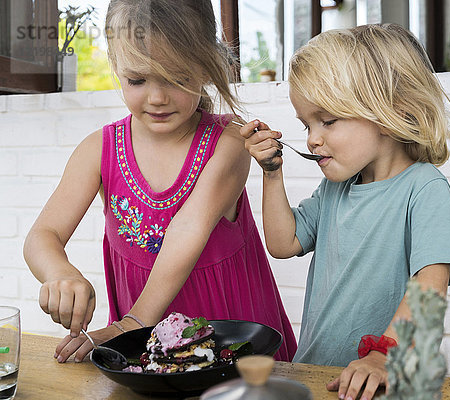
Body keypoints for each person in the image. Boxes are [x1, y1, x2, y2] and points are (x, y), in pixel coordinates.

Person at [23, 0, 296, 364]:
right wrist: (61, 274)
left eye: (178, 78)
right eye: (137, 79)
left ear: (205, 66)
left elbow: (187, 231)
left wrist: (132, 322)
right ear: (116, 68)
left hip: (232, 348)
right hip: (142, 350)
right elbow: (43, 236)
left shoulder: (229, 143)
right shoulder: (98, 151)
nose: (157, 98)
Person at [240, 24, 450, 400]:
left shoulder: (423, 188)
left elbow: (430, 288)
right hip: (317, 375)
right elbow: (284, 243)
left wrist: (385, 356)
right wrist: (272, 172)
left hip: (384, 384)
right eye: (307, 124)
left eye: (328, 120)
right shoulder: (336, 187)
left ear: (389, 111)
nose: (312, 138)